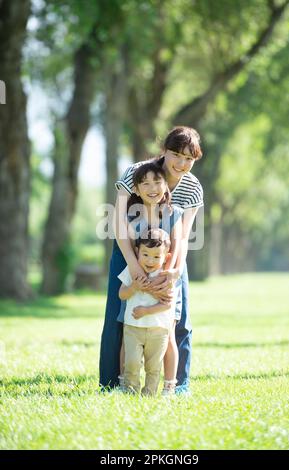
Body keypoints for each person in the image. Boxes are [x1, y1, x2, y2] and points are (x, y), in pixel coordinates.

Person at [99, 126, 204, 394]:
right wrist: (133, 265)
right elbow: (118, 220)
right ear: (164, 151)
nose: (182, 164)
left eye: (189, 158)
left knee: (178, 318)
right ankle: (112, 384)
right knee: (118, 316)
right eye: (176, 155)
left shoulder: (192, 187)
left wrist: (172, 272)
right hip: (128, 249)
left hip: (170, 254)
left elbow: (183, 238)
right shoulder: (137, 172)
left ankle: (178, 385)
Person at [117, 161, 183, 395]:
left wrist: (169, 276)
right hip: (138, 280)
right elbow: (128, 247)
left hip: (165, 278)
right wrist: (137, 277)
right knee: (128, 336)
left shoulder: (174, 214)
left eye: (157, 181)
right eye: (144, 183)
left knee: (168, 336)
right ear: (136, 189)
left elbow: (178, 247)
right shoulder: (130, 216)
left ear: (167, 186)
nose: (152, 187)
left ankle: (168, 387)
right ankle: (126, 385)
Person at [119, 228, 179, 396]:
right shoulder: (132, 270)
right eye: (145, 254)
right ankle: (130, 390)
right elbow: (121, 294)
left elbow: (167, 304)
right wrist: (133, 287)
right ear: (137, 251)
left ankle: (149, 394)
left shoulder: (166, 277)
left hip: (158, 330)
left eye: (156, 256)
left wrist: (147, 310)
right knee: (131, 362)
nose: (150, 261)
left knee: (153, 366)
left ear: (166, 257)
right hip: (133, 327)